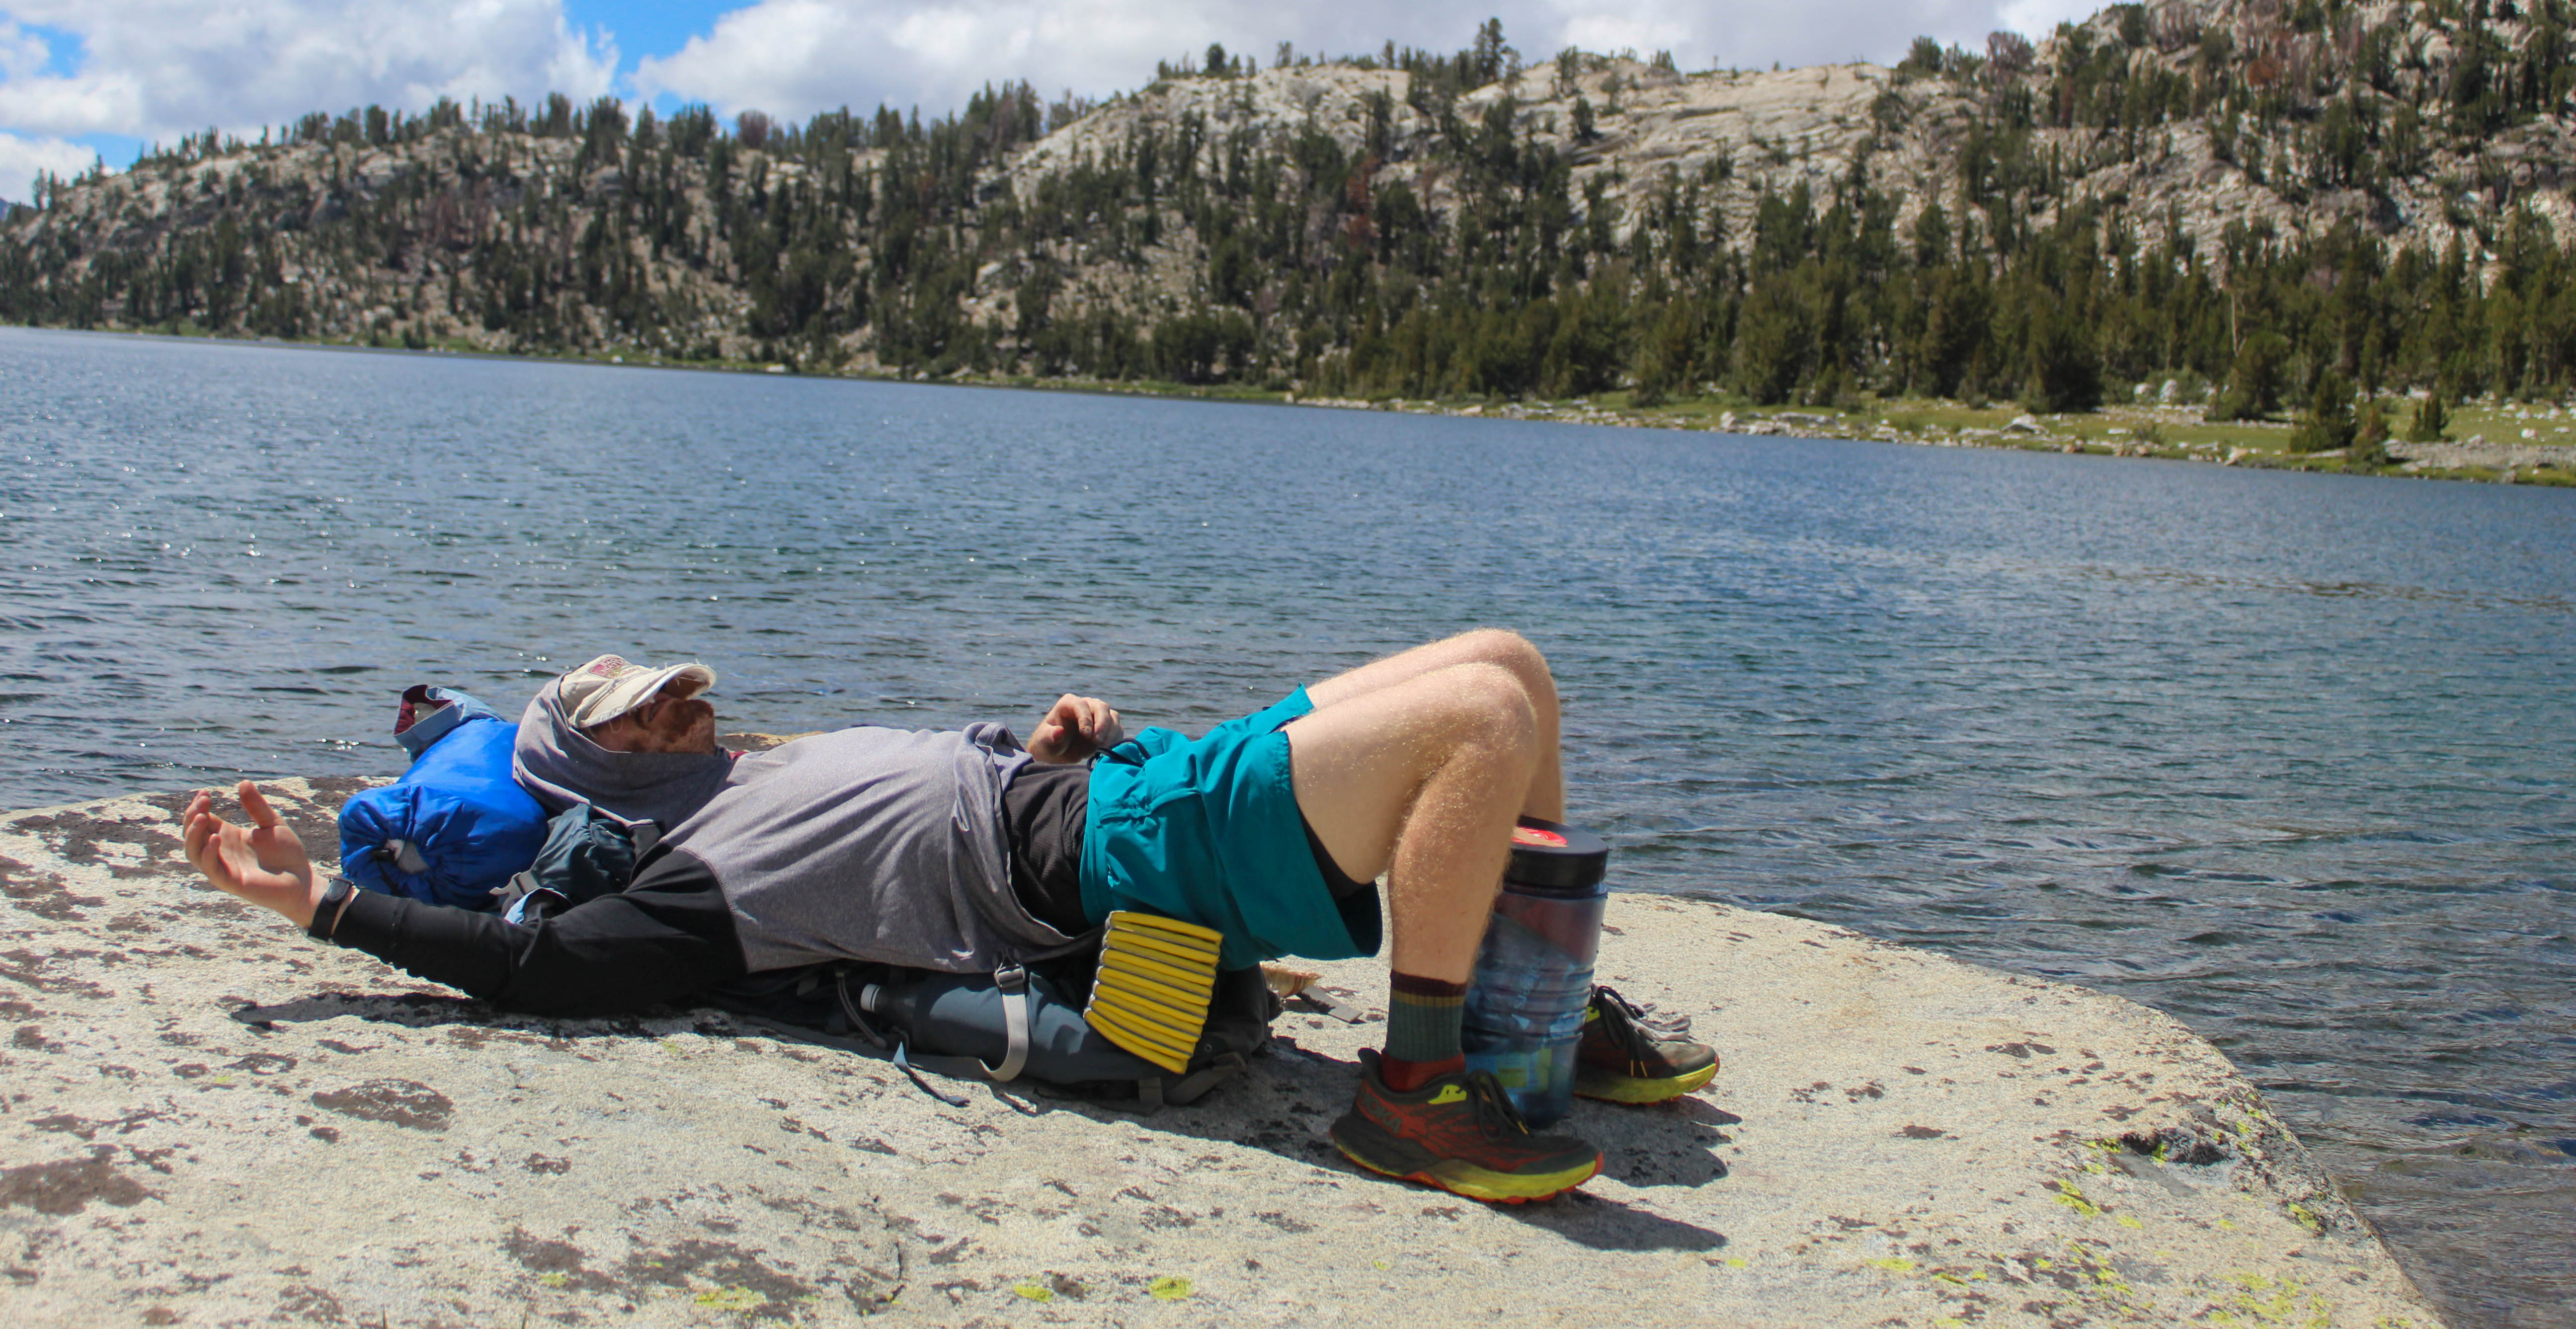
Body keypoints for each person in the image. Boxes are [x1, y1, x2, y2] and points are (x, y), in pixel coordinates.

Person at [180, 630, 1715, 1204]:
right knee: (1474, 729)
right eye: (646, 721)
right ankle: (1411, 1097)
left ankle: (1525, 1029)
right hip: (1130, 862)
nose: (687, 714)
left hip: (1114, 791)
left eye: (682, 694)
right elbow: (535, 972)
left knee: (1511, 665)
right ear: (597, 776)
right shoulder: (689, 874)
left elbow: (930, 808)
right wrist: (322, 903)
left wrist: (1034, 745)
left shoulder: (759, 772)